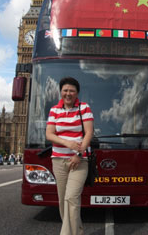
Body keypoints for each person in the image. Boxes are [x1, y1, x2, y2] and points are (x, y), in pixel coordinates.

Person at [46, 77, 94, 235]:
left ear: (77, 93)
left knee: (71, 198)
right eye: (65, 90)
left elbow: (88, 133)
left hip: (79, 161)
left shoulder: (84, 108)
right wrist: (67, 143)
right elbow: (49, 134)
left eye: (72, 90)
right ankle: (77, 232)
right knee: (63, 201)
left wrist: (78, 154)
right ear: (61, 92)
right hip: (58, 160)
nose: (68, 93)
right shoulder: (54, 110)